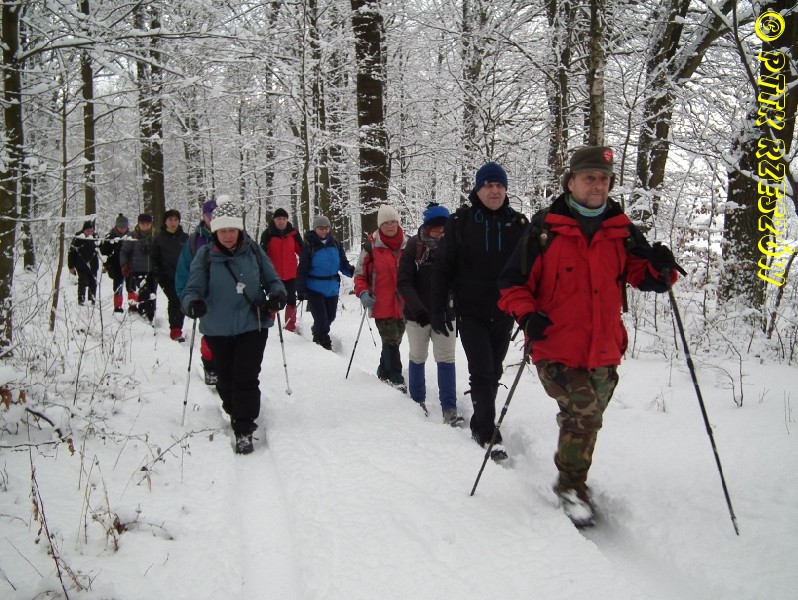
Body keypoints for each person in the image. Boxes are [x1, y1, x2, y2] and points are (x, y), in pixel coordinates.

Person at [497, 146, 683, 526]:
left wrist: (661, 269)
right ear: (571, 183)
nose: (598, 185)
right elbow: (512, 283)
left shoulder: (621, 229)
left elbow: (644, 276)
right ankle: (571, 488)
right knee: (584, 415)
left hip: (604, 347)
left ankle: (572, 479)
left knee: (586, 419)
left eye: (604, 179)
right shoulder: (545, 228)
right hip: (555, 345)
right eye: (589, 178)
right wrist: (527, 316)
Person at [430, 162, 528, 461]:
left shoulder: (519, 225)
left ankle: (481, 420)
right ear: (478, 189)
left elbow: (532, 270)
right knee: (482, 371)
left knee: (494, 370)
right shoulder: (461, 223)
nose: (494, 191)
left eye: (499, 185)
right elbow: (442, 268)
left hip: (505, 311)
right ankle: (486, 433)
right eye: (488, 185)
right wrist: (437, 309)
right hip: (471, 311)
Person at [181, 200, 287, 455]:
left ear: (239, 230)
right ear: (215, 231)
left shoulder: (254, 251)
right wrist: (192, 303)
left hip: (253, 324)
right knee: (226, 379)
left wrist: (278, 295)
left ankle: (244, 428)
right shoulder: (205, 256)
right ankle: (234, 409)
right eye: (223, 230)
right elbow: (192, 289)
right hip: (218, 327)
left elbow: (273, 280)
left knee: (246, 376)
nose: (228, 235)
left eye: (232, 230)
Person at [397, 202, 460, 422]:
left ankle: (449, 408)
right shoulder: (413, 247)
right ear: (427, 227)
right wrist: (419, 310)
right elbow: (404, 282)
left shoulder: (454, 247)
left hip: (446, 315)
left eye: (444, 229)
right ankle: (417, 401)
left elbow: (461, 280)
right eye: (435, 229)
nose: (440, 233)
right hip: (418, 316)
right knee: (418, 356)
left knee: (446, 359)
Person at [354, 204, 408, 393]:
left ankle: (383, 370)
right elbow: (359, 275)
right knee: (390, 339)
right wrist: (362, 292)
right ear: (380, 225)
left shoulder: (408, 245)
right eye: (386, 223)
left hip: (404, 303)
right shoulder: (370, 247)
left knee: (395, 340)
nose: (391, 226)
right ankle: (395, 377)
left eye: (393, 222)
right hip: (381, 303)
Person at [176, 198, 219, 384]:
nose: (213, 219)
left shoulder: (234, 234)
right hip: (204, 295)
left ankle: (228, 366)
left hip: (231, 293)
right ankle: (210, 366)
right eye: (210, 216)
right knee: (209, 333)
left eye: (216, 215)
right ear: (204, 216)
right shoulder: (195, 240)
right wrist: (186, 298)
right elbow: (184, 269)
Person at [296, 215, 354, 350]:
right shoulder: (309, 245)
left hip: (332, 288)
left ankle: (317, 330)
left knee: (330, 317)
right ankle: (323, 341)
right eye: (320, 228)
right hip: (314, 288)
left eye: (326, 228)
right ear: (315, 229)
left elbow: (342, 263)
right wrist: (301, 289)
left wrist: (351, 271)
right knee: (322, 319)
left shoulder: (335, 244)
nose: (324, 231)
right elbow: (302, 269)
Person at [259, 207, 304, 332]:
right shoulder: (268, 234)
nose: (281, 221)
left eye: (284, 219)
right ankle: (271, 327)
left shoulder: (293, 234)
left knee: (291, 301)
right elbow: (261, 255)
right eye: (279, 219)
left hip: (291, 274)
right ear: (274, 220)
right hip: (273, 276)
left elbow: (302, 252)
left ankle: (290, 328)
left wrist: (305, 267)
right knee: (274, 301)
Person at [152, 209, 189, 341]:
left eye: (175, 220)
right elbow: (154, 257)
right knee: (174, 299)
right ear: (165, 222)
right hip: (166, 276)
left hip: (183, 275)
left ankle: (179, 327)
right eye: (170, 220)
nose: (173, 223)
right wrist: (157, 271)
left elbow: (191, 255)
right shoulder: (159, 238)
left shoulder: (185, 238)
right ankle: (175, 330)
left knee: (181, 300)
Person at [120, 213, 157, 321]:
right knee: (143, 294)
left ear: (151, 224)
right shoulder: (132, 236)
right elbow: (124, 252)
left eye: (147, 223)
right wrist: (124, 265)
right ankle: (142, 315)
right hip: (136, 271)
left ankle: (150, 316)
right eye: (142, 223)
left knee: (152, 295)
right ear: (138, 223)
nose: (145, 225)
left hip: (152, 271)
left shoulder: (156, 236)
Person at [100, 214, 131, 313]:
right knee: (118, 287)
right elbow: (104, 253)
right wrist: (106, 265)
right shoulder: (110, 237)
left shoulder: (131, 236)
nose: (122, 229)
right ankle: (118, 307)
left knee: (131, 286)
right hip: (115, 266)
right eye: (120, 227)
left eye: (124, 227)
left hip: (129, 266)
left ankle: (133, 306)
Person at [68, 220, 100, 305]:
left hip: (93, 265)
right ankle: (81, 299)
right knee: (83, 281)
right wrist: (71, 266)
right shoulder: (78, 238)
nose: (90, 233)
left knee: (93, 283)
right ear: (84, 230)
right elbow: (71, 253)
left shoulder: (96, 238)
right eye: (88, 231)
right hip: (81, 265)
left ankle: (92, 299)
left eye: (91, 231)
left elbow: (100, 249)